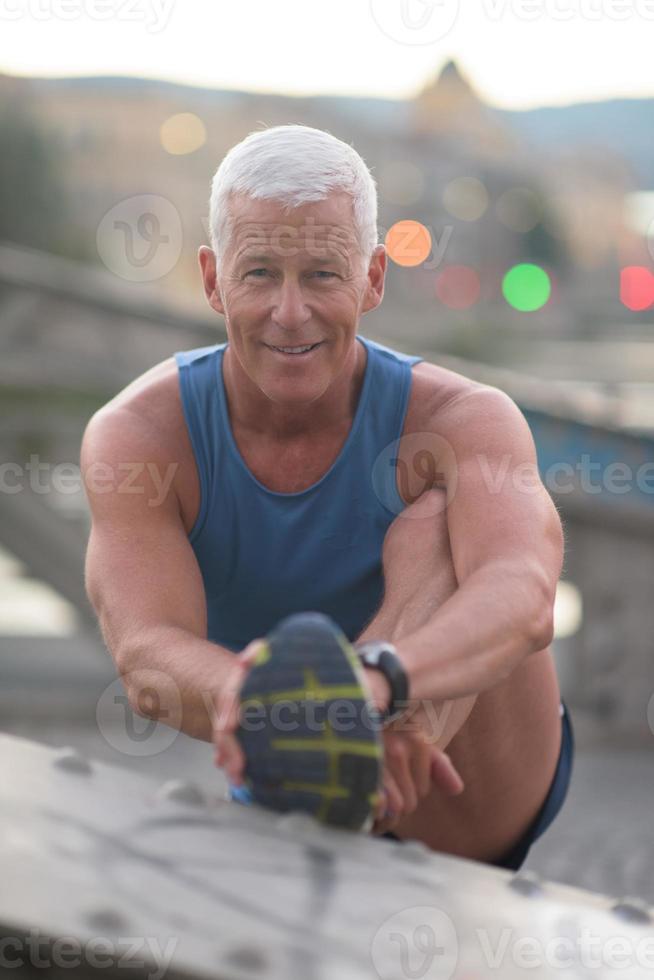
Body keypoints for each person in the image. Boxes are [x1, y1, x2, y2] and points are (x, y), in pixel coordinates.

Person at [81, 124, 573, 870]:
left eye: (321, 274)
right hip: (300, 769)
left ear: (374, 278)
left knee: (436, 518)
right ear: (212, 279)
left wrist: (378, 682)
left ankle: (369, 729)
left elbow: (524, 593)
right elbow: (147, 652)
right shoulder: (139, 436)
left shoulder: (465, 418)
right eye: (258, 274)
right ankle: (333, 740)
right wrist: (282, 701)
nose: (289, 311)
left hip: (474, 784)